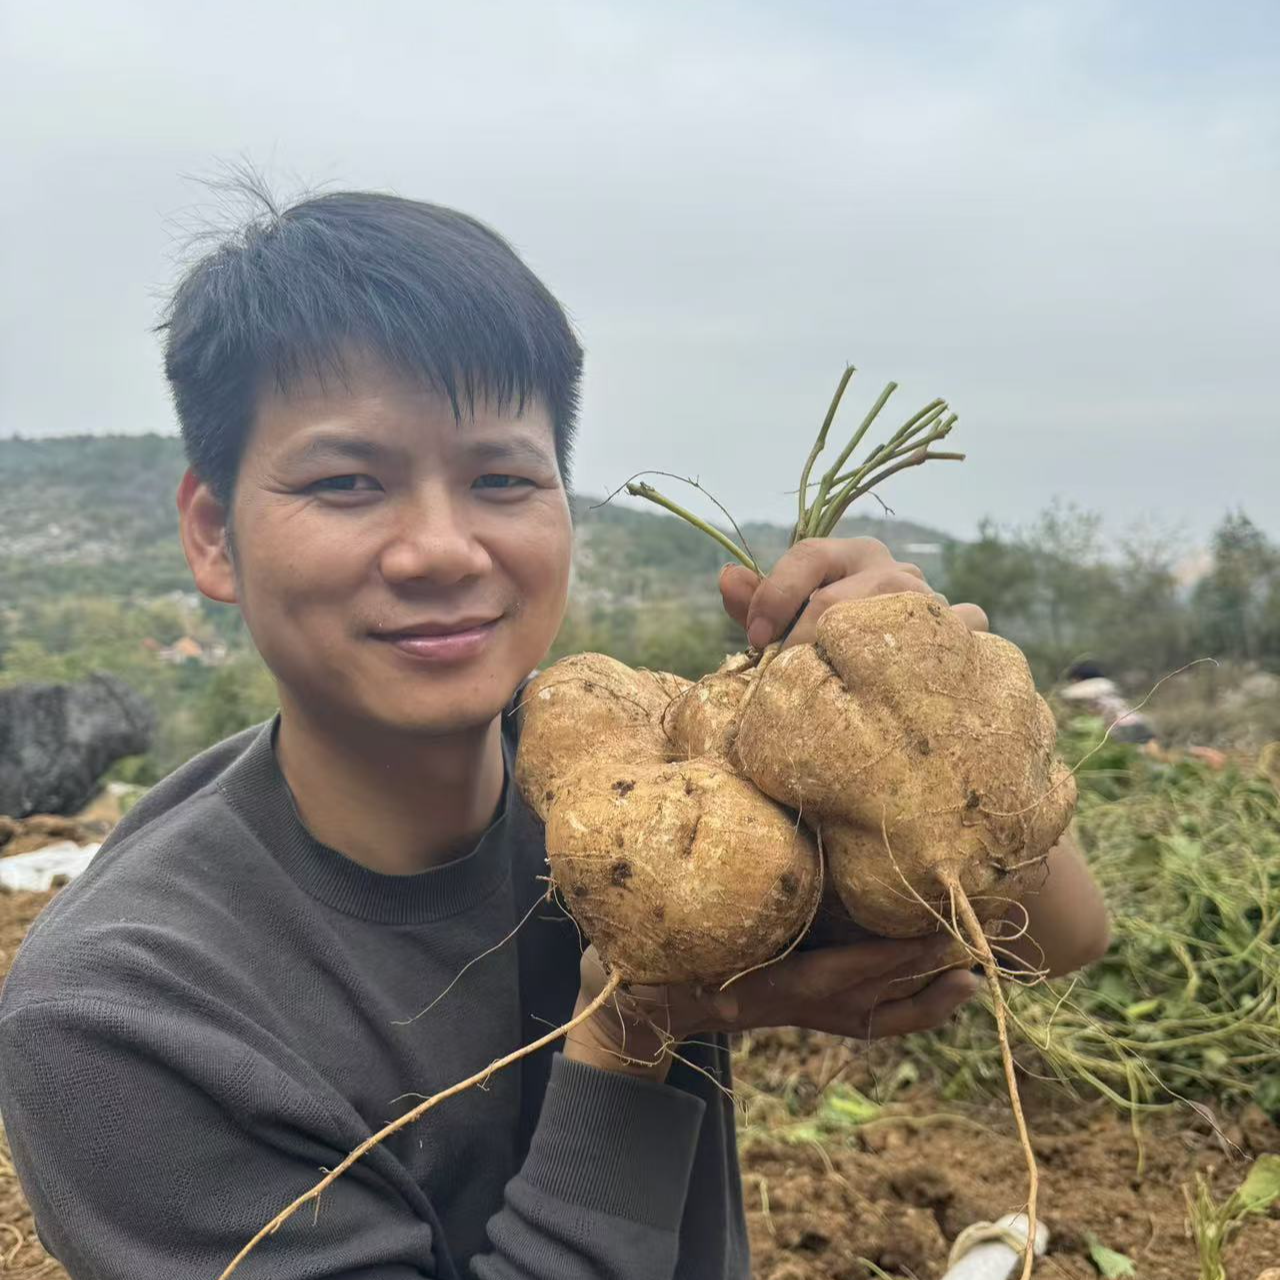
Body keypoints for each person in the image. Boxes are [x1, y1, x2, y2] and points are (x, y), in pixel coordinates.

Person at [0, 189, 1110, 1280]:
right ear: (213, 535)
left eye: (500, 478)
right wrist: (634, 1025)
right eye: (346, 481)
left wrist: (936, 717)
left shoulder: (670, 780)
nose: (439, 548)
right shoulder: (113, 1019)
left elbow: (1051, 939)